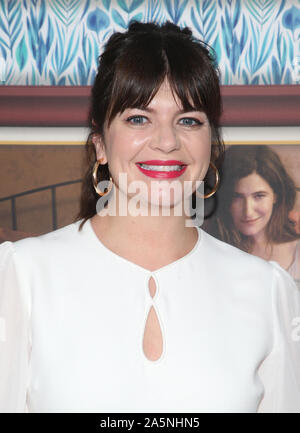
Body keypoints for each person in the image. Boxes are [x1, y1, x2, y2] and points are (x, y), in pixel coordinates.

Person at [0, 21, 299, 413]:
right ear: (100, 144)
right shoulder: (21, 275)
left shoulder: (269, 291)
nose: (167, 140)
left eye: (189, 120)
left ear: (211, 142)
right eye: (138, 118)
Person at [206, 145, 300, 286]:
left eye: (259, 196)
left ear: (276, 196)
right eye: (236, 197)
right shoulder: (210, 253)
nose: (248, 211)